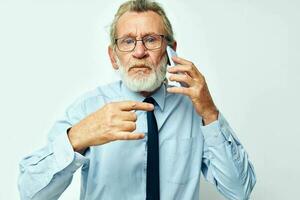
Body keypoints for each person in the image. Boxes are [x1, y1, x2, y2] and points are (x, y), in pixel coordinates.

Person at [18, 0, 256, 199]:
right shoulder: (88, 108)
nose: (140, 52)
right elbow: (30, 192)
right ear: (113, 57)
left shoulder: (195, 110)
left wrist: (209, 112)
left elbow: (240, 190)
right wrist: (77, 137)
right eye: (128, 41)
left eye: (151, 39)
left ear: (171, 50)